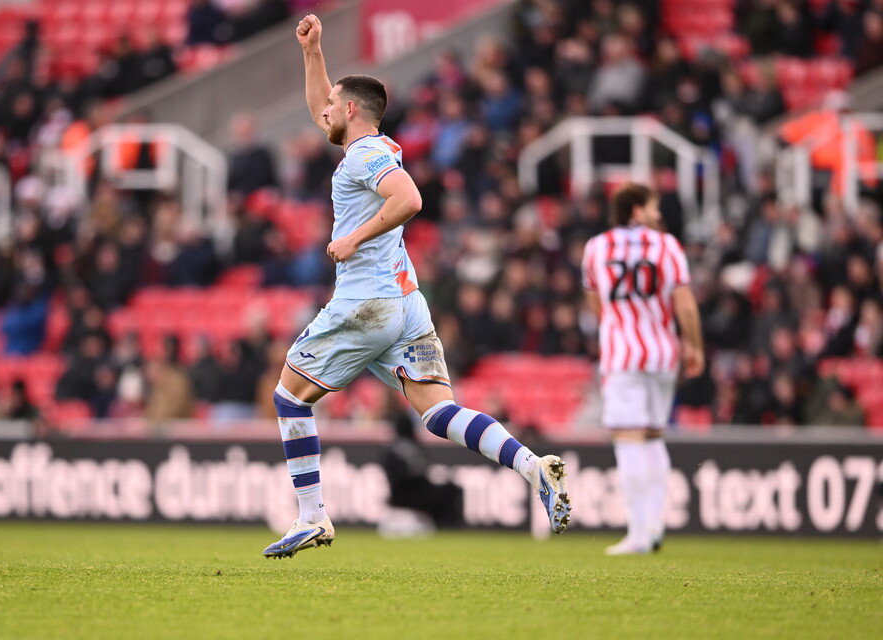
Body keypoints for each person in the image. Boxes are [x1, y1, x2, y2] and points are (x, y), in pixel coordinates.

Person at [262, 14, 571, 559]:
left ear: (350, 110)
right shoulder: (373, 146)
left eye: (332, 103)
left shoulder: (365, 155)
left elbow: (409, 199)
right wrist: (312, 52)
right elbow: (323, 115)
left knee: (289, 396)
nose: (323, 111)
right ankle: (532, 466)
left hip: (367, 302)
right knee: (438, 413)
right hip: (406, 303)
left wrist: (352, 238)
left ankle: (311, 516)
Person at [581, 182, 704, 555]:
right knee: (653, 436)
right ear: (635, 210)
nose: (658, 215)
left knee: (629, 439)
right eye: (653, 207)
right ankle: (654, 527)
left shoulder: (596, 247)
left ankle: (638, 533)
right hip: (662, 353)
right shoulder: (667, 246)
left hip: (622, 356)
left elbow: (596, 302)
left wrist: (617, 327)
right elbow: (684, 303)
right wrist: (694, 345)